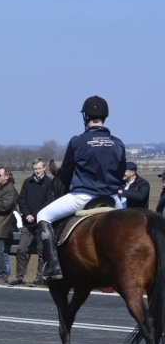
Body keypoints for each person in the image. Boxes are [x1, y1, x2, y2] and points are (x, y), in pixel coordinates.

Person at [37, 95, 125, 281]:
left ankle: (53, 266)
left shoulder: (78, 141)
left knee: (42, 216)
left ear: (86, 116)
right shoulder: (118, 143)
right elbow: (121, 171)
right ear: (105, 116)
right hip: (112, 198)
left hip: (83, 196)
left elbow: (66, 173)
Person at [11, 158, 52, 286]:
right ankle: (19, 277)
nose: (37, 171)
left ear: (44, 168)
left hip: (41, 223)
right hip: (27, 223)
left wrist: (34, 215)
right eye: (35, 169)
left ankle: (40, 277)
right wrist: (27, 214)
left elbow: (48, 202)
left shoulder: (49, 183)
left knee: (42, 251)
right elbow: (21, 199)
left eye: (39, 168)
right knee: (21, 250)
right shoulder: (27, 182)